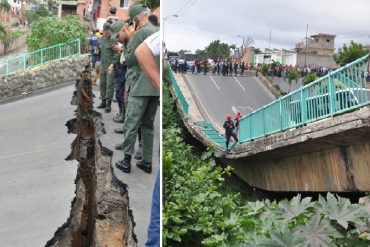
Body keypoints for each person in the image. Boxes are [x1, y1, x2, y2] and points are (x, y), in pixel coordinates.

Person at [115, 4, 159, 174]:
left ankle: (126, 160)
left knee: (131, 123)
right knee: (147, 126)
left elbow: (130, 60)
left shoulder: (141, 33)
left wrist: (131, 39)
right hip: (154, 88)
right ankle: (147, 162)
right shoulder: (157, 31)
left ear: (136, 19)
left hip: (140, 85)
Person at [96, 22, 119, 113]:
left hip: (110, 66)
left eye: (109, 32)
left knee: (109, 85)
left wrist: (112, 64)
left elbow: (116, 54)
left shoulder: (113, 40)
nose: (108, 34)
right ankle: (103, 102)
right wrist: (97, 51)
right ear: (104, 31)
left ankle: (108, 104)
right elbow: (99, 50)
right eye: (106, 32)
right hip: (103, 65)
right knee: (102, 84)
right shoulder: (101, 40)